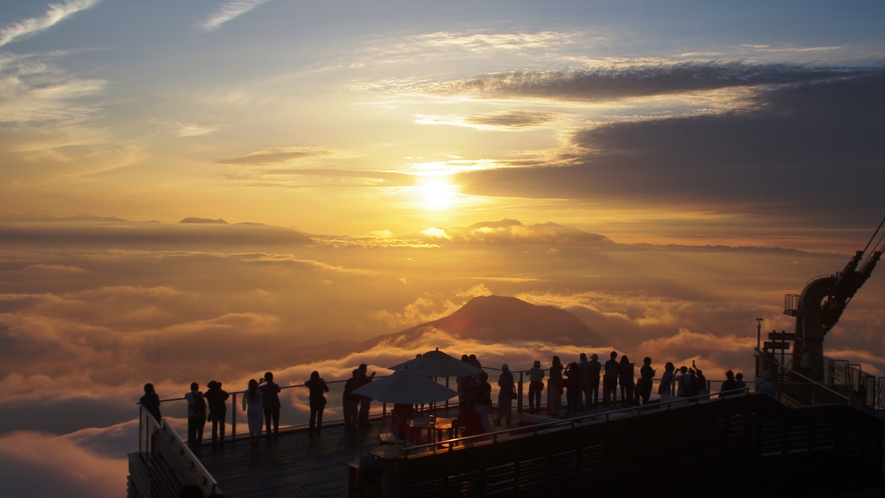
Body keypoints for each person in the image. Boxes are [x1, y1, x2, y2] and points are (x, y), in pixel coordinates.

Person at [204, 380, 229, 445]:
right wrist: (220, 390)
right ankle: (221, 440)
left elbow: (205, 395)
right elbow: (226, 396)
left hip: (214, 411)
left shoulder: (209, 393)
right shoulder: (220, 392)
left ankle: (214, 441)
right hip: (222, 410)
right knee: (221, 425)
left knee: (214, 426)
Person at [258, 371, 281, 439]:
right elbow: (278, 390)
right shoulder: (275, 386)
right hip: (275, 405)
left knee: (268, 420)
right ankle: (276, 433)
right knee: (275, 420)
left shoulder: (263, 387)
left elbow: (254, 389)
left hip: (267, 405)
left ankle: (268, 434)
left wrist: (260, 382)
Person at [241, 379, 263, 447]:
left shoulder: (247, 393)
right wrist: (259, 383)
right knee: (258, 423)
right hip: (258, 409)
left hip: (250, 409)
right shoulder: (258, 392)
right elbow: (257, 389)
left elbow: (252, 390)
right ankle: (258, 440)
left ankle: (252, 439)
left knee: (252, 424)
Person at [185, 382, 206, 449]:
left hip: (193, 415)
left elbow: (185, 395)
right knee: (200, 430)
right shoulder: (201, 394)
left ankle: (193, 444)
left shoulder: (189, 396)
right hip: (202, 415)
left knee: (193, 430)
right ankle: (199, 444)